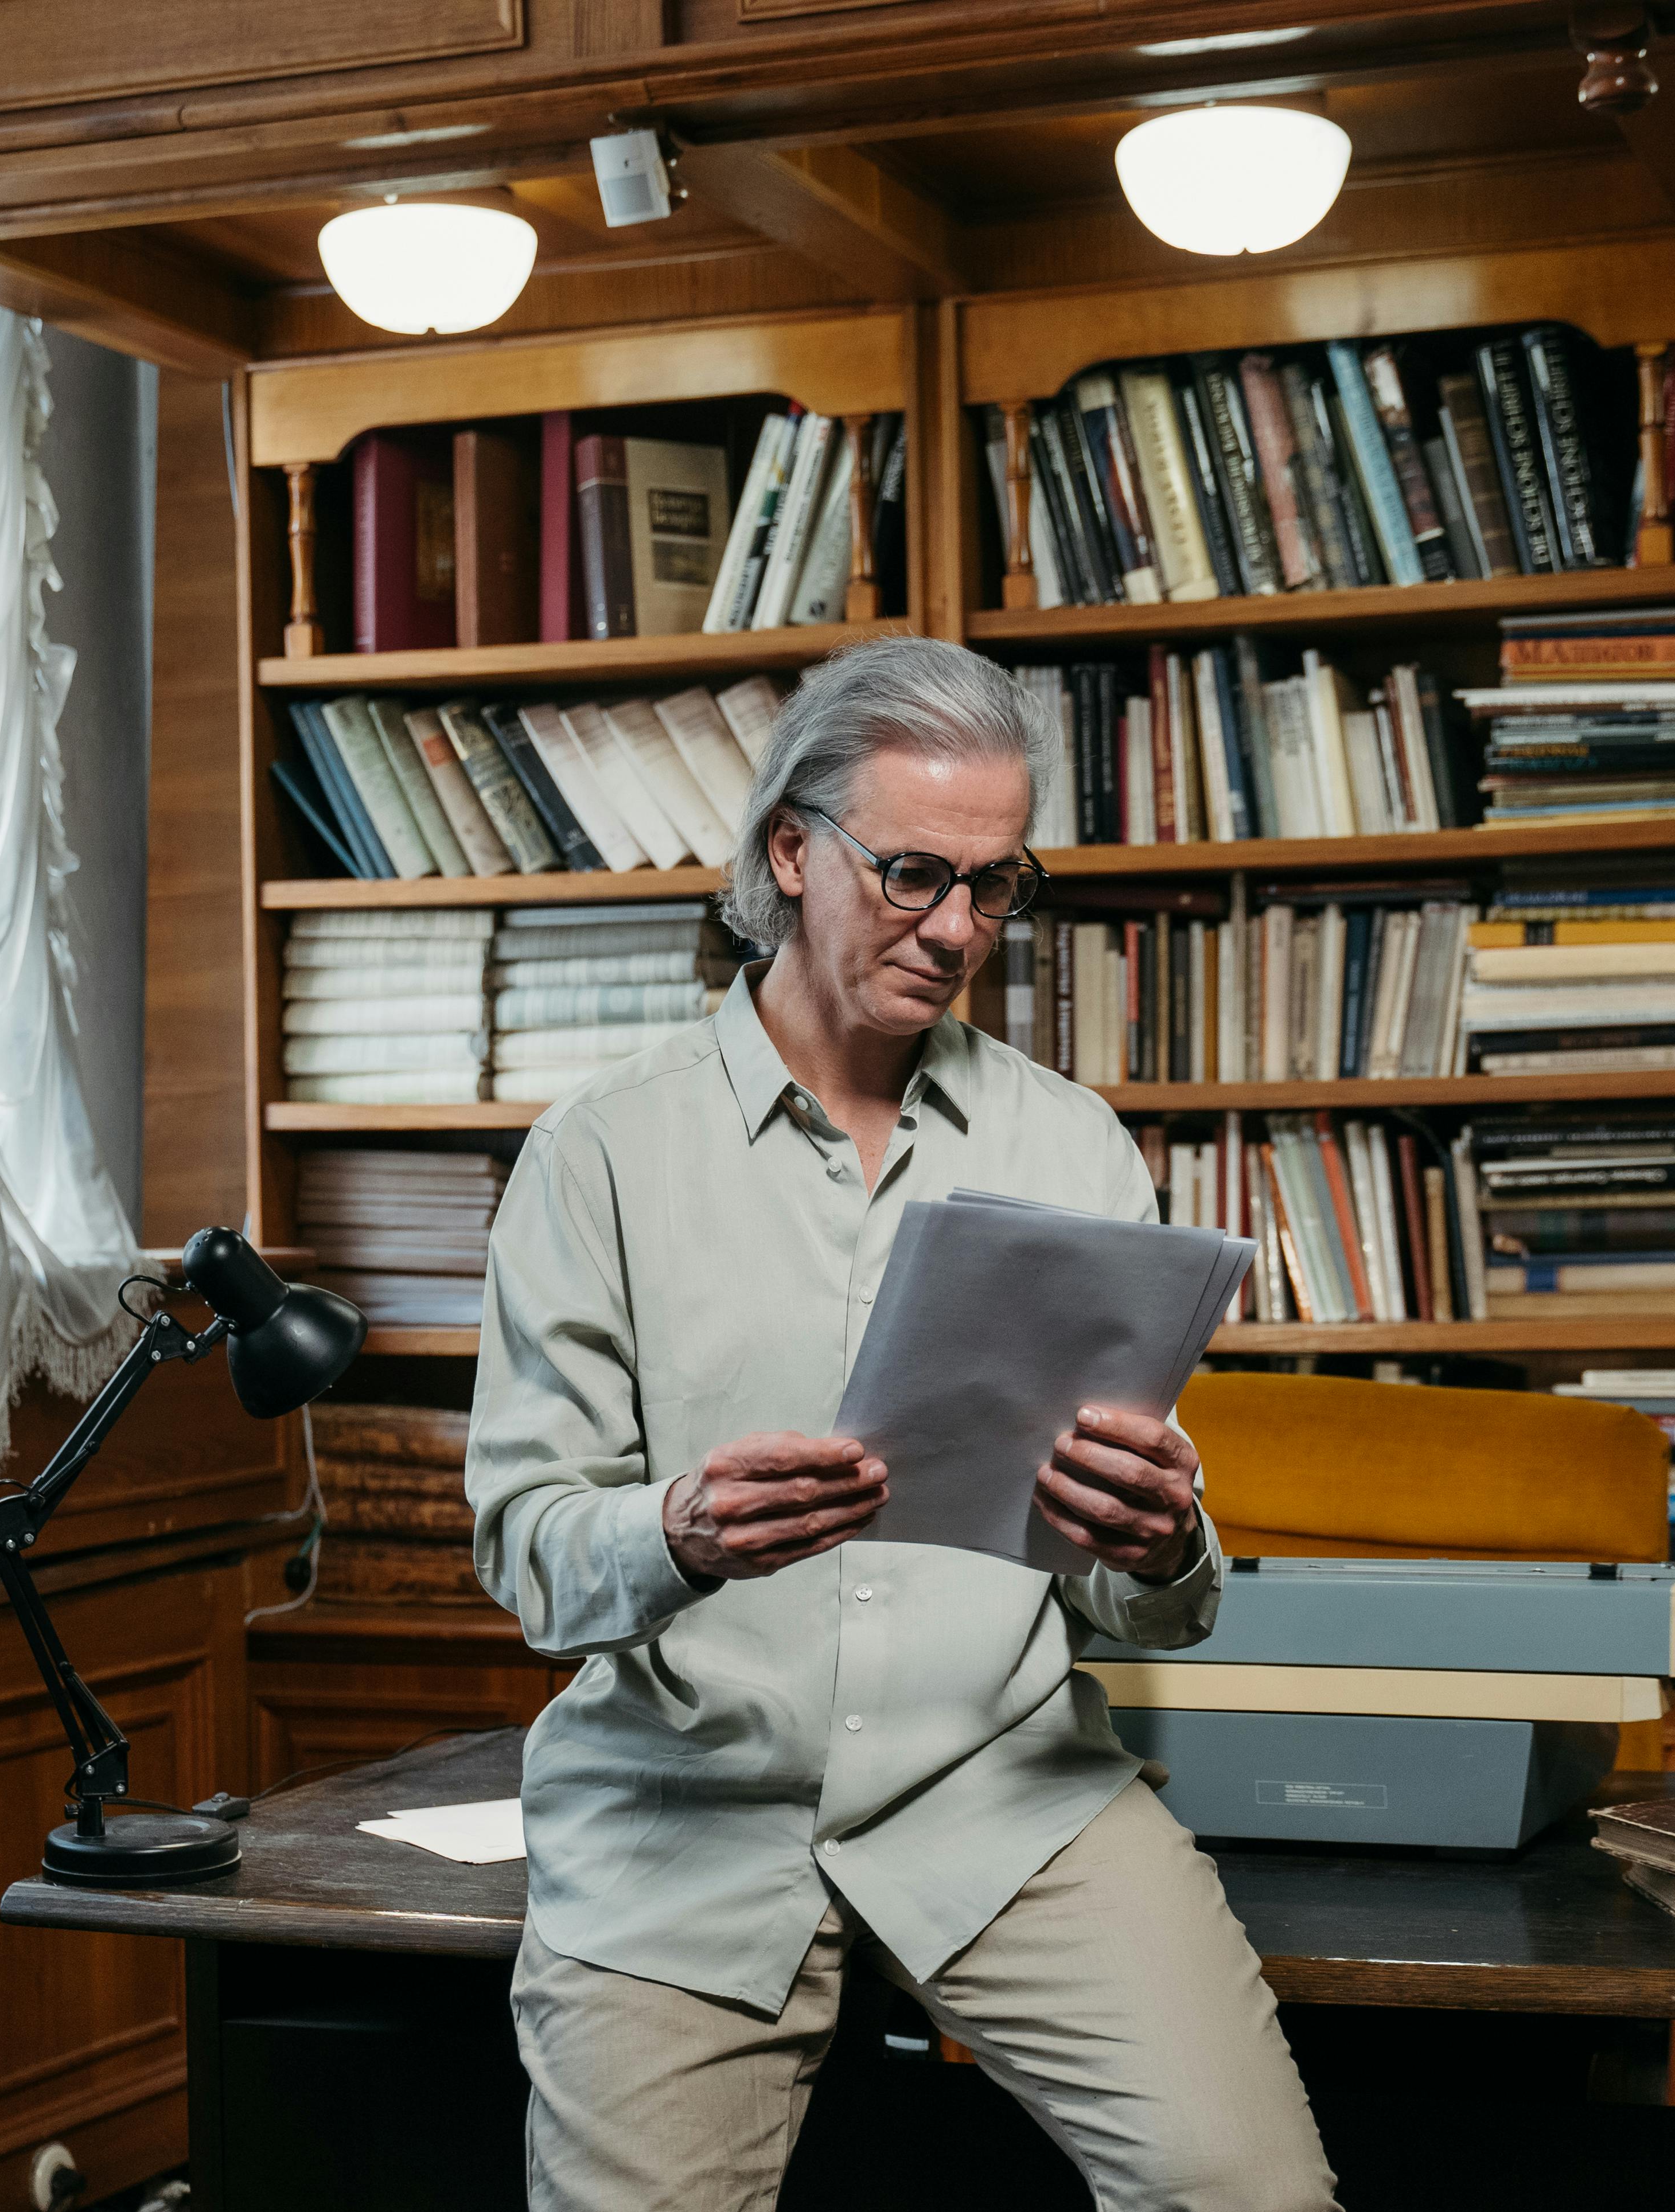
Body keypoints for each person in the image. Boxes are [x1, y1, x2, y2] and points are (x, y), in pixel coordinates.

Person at [467, 635, 1340, 2211]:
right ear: (791, 851)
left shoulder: (1071, 1150)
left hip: (1001, 1794)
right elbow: (528, 1550)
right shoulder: (600, 1154)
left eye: (997, 886)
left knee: (1254, 2197)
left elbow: (1127, 1588)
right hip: (684, 1816)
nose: (956, 929)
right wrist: (670, 1530)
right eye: (914, 873)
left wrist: (1158, 1542)